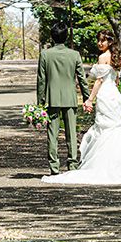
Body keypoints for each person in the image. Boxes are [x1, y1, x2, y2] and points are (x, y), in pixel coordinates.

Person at [42, 30, 121, 185]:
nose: (99, 43)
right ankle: (120, 163)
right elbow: (116, 80)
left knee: (105, 128)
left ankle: (103, 164)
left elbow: (98, 81)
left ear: (110, 42)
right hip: (115, 96)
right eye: (98, 40)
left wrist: (89, 99)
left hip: (105, 95)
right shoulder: (117, 58)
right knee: (115, 127)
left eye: (102, 40)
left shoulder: (103, 57)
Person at [36, 22, 90, 175]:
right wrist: (87, 98)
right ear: (66, 37)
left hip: (52, 99)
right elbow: (81, 79)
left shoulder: (45, 54)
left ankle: (54, 166)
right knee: (71, 133)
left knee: (52, 134)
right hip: (70, 98)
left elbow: (41, 80)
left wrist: (40, 103)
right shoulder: (75, 55)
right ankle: (72, 164)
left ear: (52, 37)